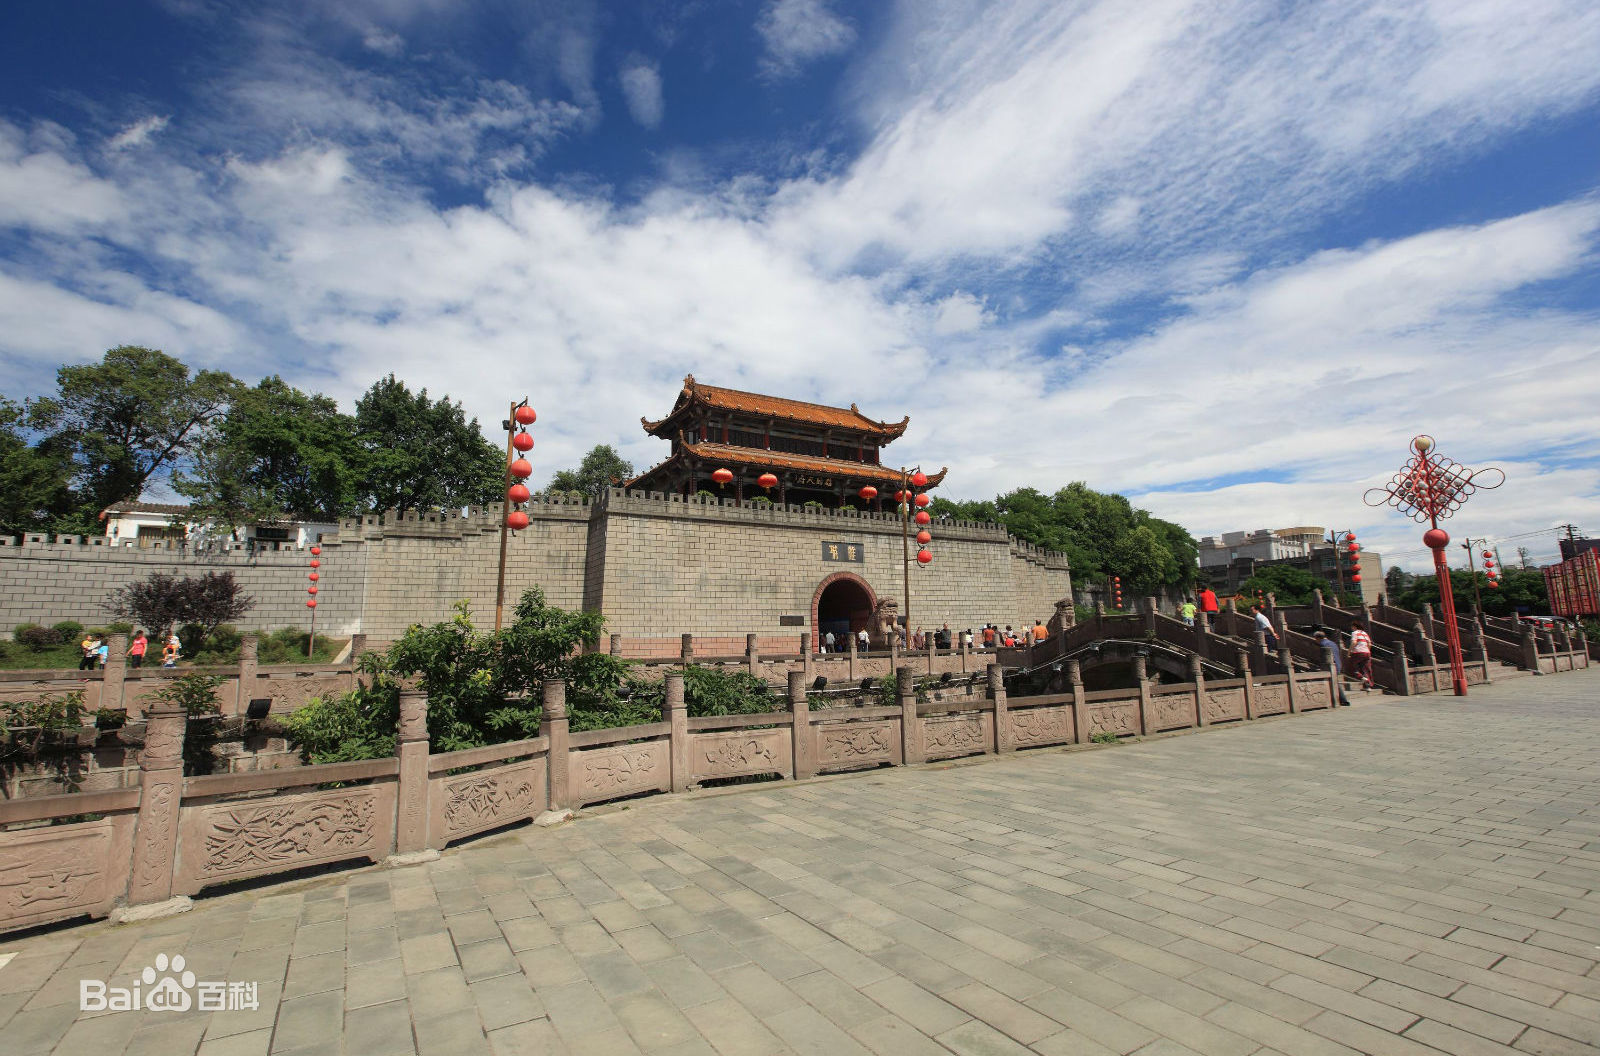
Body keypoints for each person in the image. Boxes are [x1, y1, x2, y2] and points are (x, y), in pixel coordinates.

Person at [1314, 631, 1352, 705]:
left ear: (1318, 638)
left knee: (1335, 683)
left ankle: (1343, 700)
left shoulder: (1323, 644)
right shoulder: (1333, 643)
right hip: (1337, 664)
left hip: (1330, 666)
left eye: (1315, 639)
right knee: (1335, 682)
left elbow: (1324, 657)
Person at [1348, 626, 1374, 691]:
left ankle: (1362, 678)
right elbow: (1369, 644)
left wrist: (1349, 652)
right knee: (1365, 669)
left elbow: (1354, 642)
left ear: (1354, 627)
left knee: (1352, 667)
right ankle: (1367, 686)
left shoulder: (1354, 633)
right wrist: (1367, 651)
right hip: (1367, 653)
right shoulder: (1365, 633)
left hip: (1358, 652)